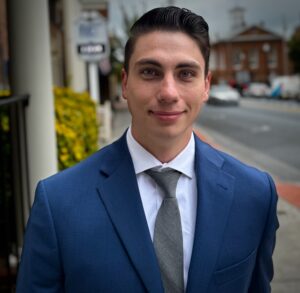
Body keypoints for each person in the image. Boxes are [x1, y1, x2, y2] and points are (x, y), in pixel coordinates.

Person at [16, 6, 279, 293]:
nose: (168, 92)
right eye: (151, 72)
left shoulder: (255, 194)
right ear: (125, 83)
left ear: (206, 85)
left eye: (186, 73)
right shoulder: (58, 203)